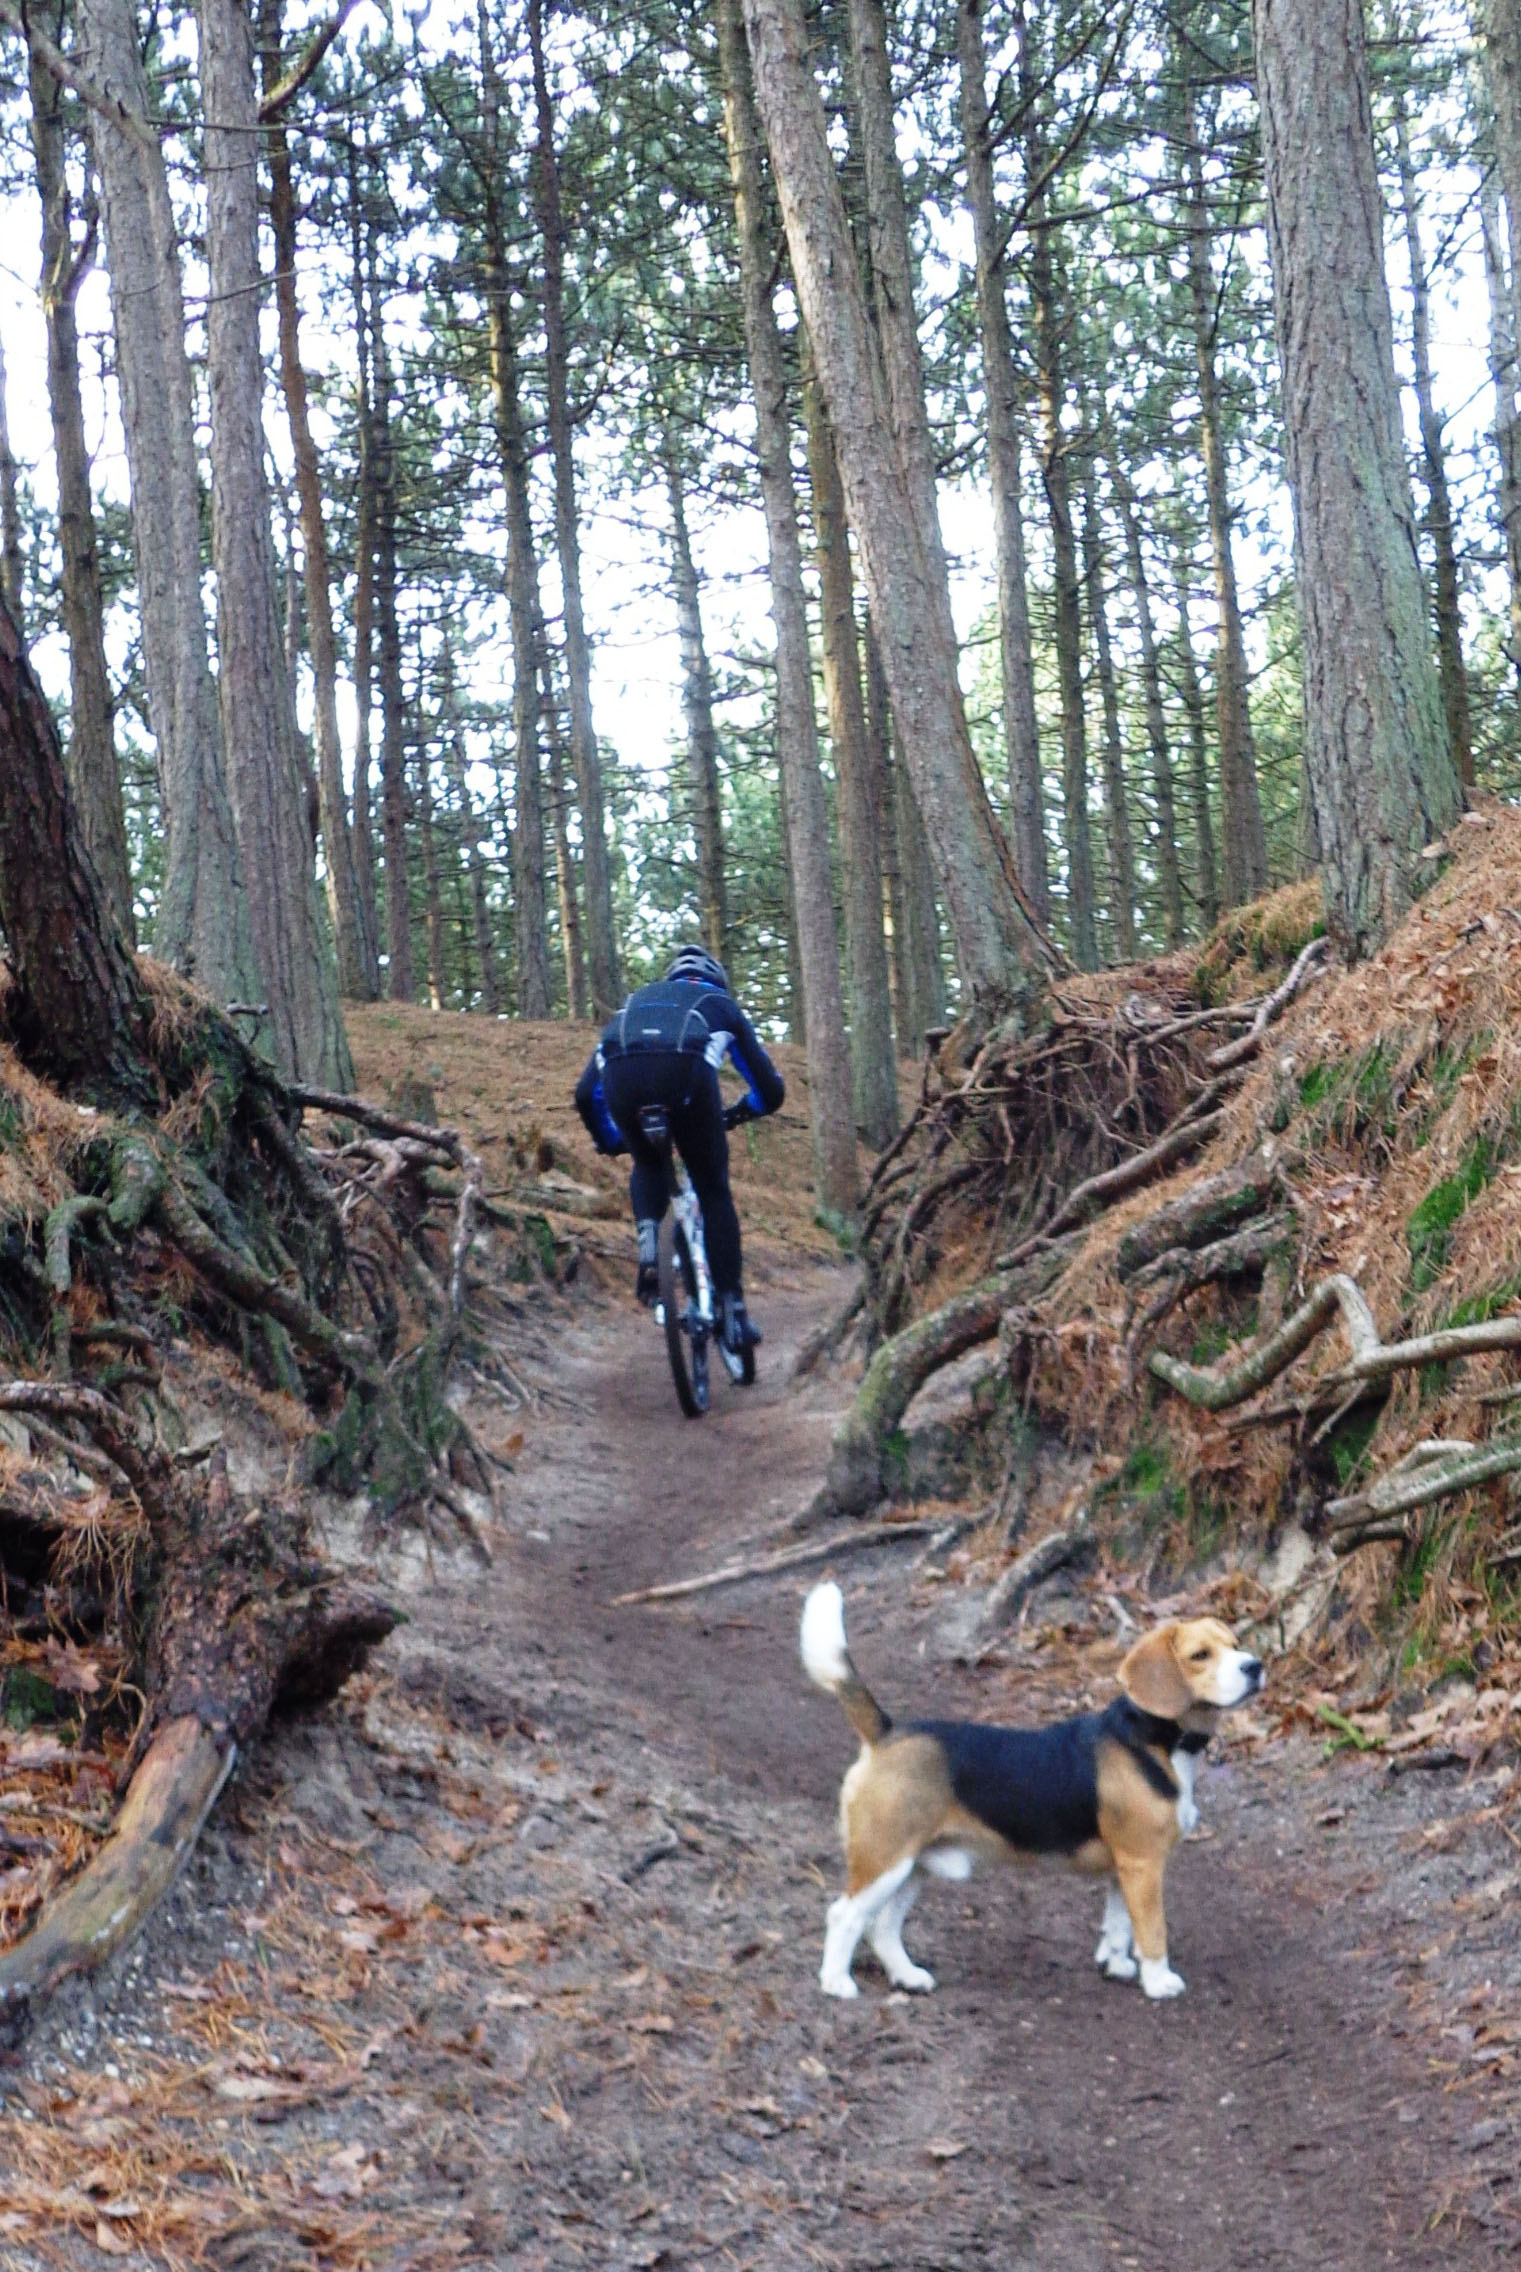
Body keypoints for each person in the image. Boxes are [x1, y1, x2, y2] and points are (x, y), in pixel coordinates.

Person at [573, 946, 785, 1354]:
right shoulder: (721, 1006)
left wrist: (610, 1141)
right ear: (717, 981)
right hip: (686, 1079)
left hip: (624, 1080)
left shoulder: (633, 1006)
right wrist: (741, 1112)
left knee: (648, 1164)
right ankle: (733, 1308)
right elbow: (770, 1090)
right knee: (712, 1189)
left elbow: (585, 1094)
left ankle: (649, 1243)